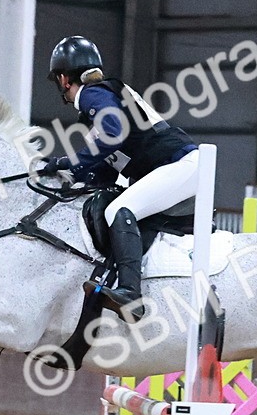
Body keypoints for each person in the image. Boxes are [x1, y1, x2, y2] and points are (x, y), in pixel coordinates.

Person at [39, 36, 200, 323]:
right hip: (174, 166)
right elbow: (106, 169)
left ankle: (131, 294)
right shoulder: (104, 99)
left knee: (118, 211)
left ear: (64, 79)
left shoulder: (91, 94)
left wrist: (66, 161)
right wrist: (66, 178)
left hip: (180, 164)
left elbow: (113, 133)